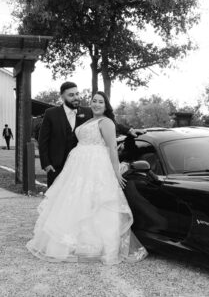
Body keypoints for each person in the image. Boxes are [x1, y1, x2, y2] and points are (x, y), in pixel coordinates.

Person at [26, 91, 148, 264]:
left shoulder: (106, 122)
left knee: (96, 202)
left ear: (106, 106)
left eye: (100, 102)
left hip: (96, 165)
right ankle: (72, 243)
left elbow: (113, 147)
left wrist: (115, 171)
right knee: (75, 201)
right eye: (94, 101)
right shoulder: (88, 118)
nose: (97, 104)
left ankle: (98, 246)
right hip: (77, 165)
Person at [38, 81, 145, 187]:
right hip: (56, 165)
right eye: (71, 95)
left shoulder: (89, 111)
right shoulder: (51, 113)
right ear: (62, 97)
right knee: (56, 198)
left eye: (77, 94)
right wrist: (46, 164)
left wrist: (129, 130)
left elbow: (109, 122)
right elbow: (43, 140)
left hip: (81, 166)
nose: (75, 97)